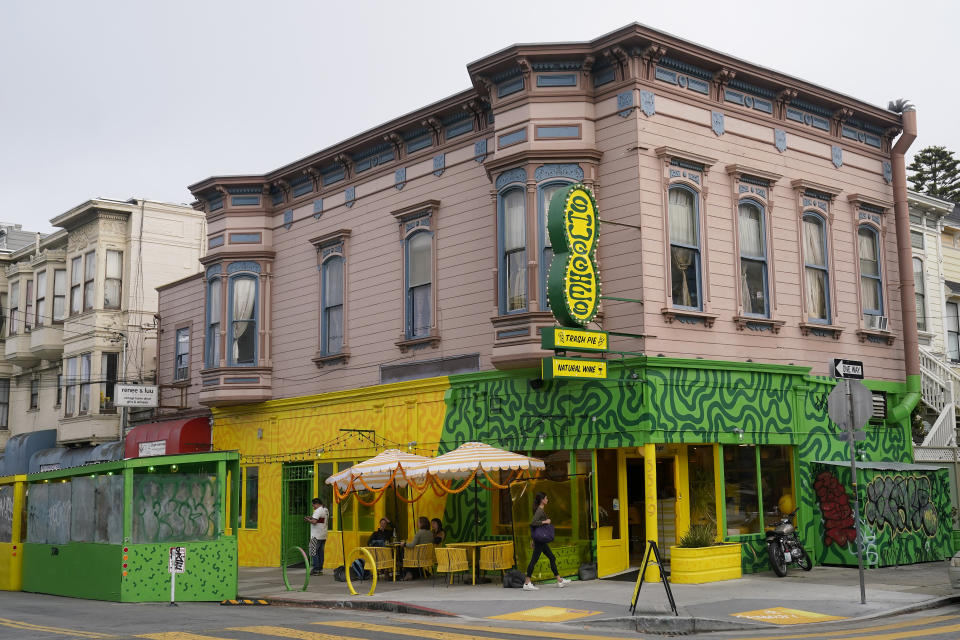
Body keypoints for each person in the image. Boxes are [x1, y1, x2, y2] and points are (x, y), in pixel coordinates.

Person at [522, 492, 570, 590]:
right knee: (534, 561)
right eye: (546, 498)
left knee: (552, 558)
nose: (547, 500)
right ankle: (527, 583)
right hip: (540, 541)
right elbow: (533, 523)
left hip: (540, 540)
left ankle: (559, 580)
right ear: (542, 500)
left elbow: (535, 528)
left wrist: (533, 539)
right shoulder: (539, 510)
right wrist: (546, 522)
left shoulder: (541, 510)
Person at [403, 516, 434, 580]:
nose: (418, 524)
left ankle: (409, 573)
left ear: (422, 523)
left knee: (404, 554)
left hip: (418, 556)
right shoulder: (430, 533)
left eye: (418, 522)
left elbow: (412, 545)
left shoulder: (419, 533)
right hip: (427, 556)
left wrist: (404, 544)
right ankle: (422, 573)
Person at [304, 497, 328, 576]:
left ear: (317, 504)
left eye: (313, 505)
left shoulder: (317, 511)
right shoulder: (325, 510)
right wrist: (311, 517)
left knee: (313, 552)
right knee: (321, 552)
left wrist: (308, 520)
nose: (313, 507)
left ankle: (316, 569)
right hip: (323, 535)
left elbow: (314, 521)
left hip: (315, 536)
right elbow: (320, 520)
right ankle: (320, 569)